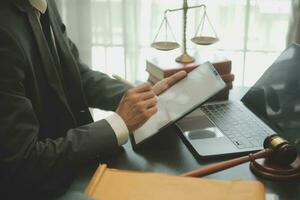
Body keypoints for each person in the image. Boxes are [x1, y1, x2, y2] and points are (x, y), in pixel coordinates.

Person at [0, 0, 233, 199]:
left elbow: (75, 74)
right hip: (40, 186)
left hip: (69, 162)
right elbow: (24, 161)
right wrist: (120, 123)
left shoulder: (41, 3)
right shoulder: (5, 32)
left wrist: (140, 97)